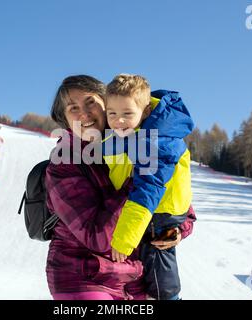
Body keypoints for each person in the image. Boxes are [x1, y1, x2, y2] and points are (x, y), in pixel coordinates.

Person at [45, 75, 196, 300]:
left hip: (133, 279)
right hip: (83, 277)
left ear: (106, 104)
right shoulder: (64, 164)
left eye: (90, 102)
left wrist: (175, 230)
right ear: (65, 121)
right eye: (73, 108)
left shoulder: (134, 142)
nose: (84, 114)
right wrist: (140, 179)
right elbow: (96, 237)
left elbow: (181, 205)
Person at [103, 74, 195, 300]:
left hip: (160, 213)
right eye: (112, 114)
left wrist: (124, 240)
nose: (118, 121)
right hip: (151, 212)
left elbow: (148, 189)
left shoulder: (159, 138)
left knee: (159, 273)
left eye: (127, 114)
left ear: (145, 112)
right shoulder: (134, 132)